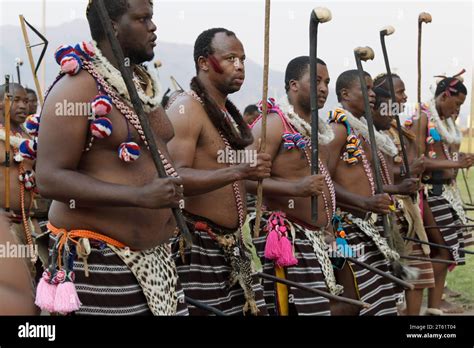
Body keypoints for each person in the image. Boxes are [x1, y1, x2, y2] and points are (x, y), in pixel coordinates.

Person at [35, 0, 187, 316]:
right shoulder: (78, 87)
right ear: (114, 26)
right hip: (103, 264)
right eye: (143, 18)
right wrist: (138, 196)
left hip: (159, 262)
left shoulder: (140, 87)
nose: (153, 27)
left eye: (152, 18)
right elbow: (48, 178)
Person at [166, 28, 271, 315]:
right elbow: (174, 178)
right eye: (230, 58)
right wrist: (239, 171)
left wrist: (250, 170)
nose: (239, 66)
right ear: (203, 63)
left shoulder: (225, 114)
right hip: (198, 248)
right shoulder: (187, 109)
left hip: (234, 248)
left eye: (243, 59)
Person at [247, 56, 360, 316]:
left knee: (349, 301)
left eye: (327, 82)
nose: (323, 88)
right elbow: (244, 178)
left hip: (322, 235)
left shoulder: (317, 130)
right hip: (290, 236)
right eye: (317, 81)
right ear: (294, 85)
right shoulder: (273, 124)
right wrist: (295, 189)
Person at [326, 70, 403, 316]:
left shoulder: (363, 131)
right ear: (345, 94)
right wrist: (364, 202)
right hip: (345, 230)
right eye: (366, 89)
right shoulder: (338, 130)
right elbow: (323, 180)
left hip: (370, 227)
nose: (373, 94)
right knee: (352, 299)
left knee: (378, 294)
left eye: (372, 89)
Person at [372, 73, 435, 315]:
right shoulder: (375, 128)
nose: (405, 96)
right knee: (394, 278)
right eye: (400, 92)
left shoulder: (397, 127)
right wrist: (407, 172)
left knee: (417, 273)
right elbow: (379, 175)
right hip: (387, 210)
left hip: (408, 209)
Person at [412, 76, 473, 315]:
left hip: (447, 192)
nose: (457, 110)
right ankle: (423, 305)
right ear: (444, 96)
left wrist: (460, 161)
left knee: (448, 253)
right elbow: (418, 161)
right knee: (443, 251)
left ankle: (434, 310)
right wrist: (454, 164)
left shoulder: (447, 123)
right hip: (430, 192)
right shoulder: (423, 118)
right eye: (456, 104)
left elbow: (446, 157)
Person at [0, 83, 41, 288]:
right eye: (15, 100)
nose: (23, 106)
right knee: (14, 286)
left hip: (27, 221)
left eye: (26, 101)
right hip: (4, 224)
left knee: (34, 283)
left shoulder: (30, 138)